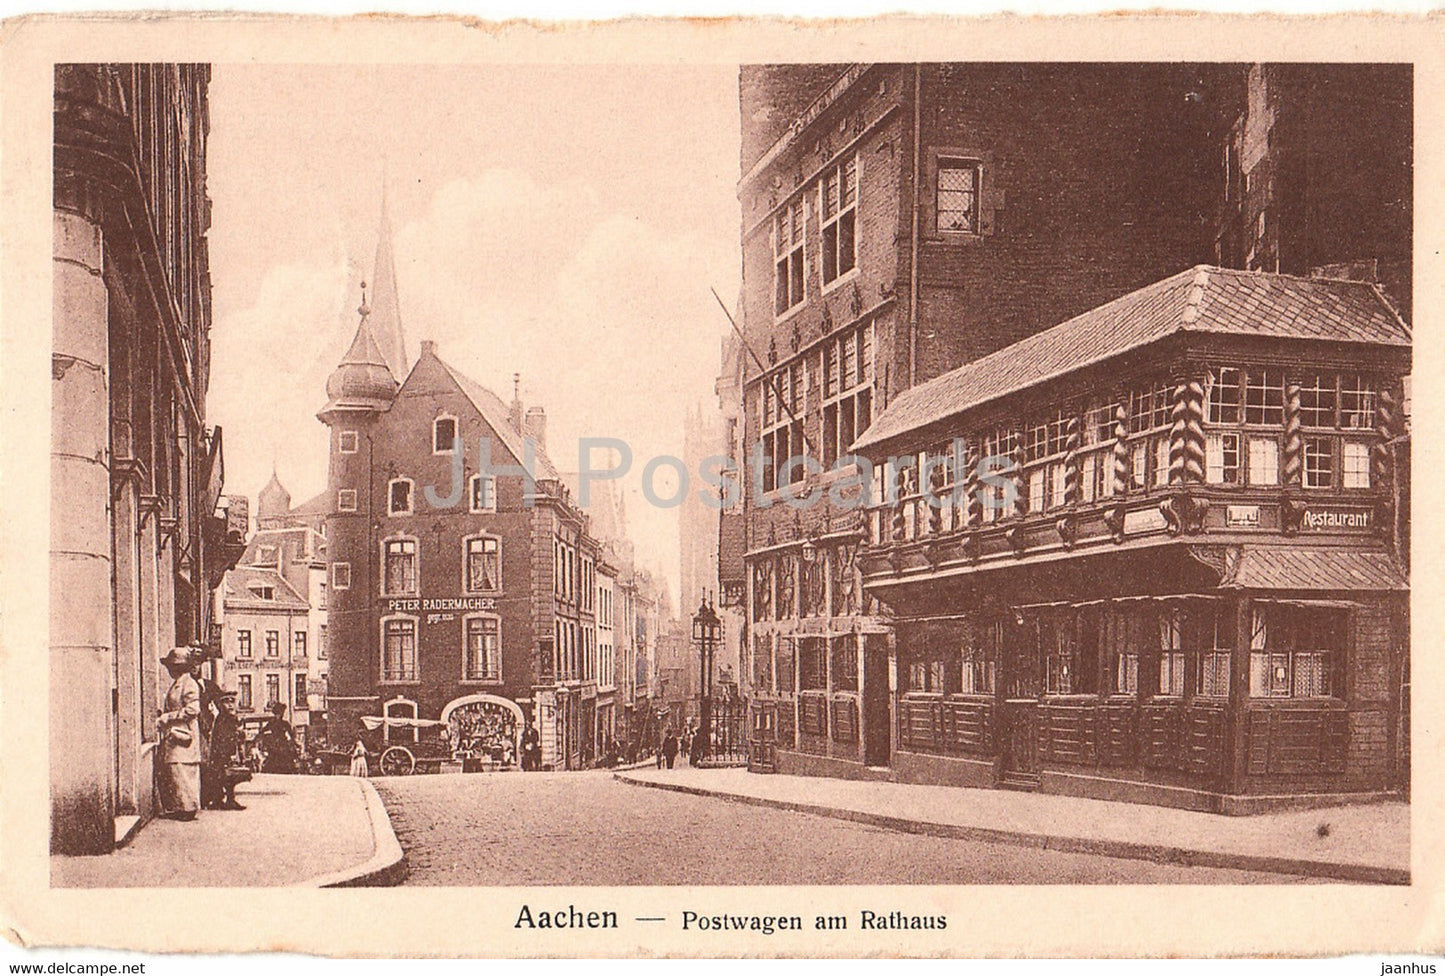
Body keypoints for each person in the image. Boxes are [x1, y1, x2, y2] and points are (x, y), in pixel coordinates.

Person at [156, 647, 202, 820]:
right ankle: (181, 807)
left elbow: (193, 709)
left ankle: (187, 809)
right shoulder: (179, 683)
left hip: (183, 733)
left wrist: (169, 717)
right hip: (176, 733)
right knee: (176, 770)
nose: (170, 670)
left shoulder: (188, 683)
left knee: (182, 770)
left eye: (172, 666)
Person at [207, 691, 246, 810]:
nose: (230, 705)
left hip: (227, 752)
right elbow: (222, 738)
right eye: (226, 702)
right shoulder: (222, 719)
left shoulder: (232, 718)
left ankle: (227, 799)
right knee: (223, 776)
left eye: (232, 701)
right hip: (222, 752)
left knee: (228, 777)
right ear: (220, 704)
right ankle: (220, 800)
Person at [261, 702, 298, 774]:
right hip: (277, 744)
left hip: (280, 743)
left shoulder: (283, 723)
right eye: (279, 713)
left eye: (281, 713)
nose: (281, 715)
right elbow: (262, 731)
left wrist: (295, 743)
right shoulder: (273, 723)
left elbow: (291, 735)